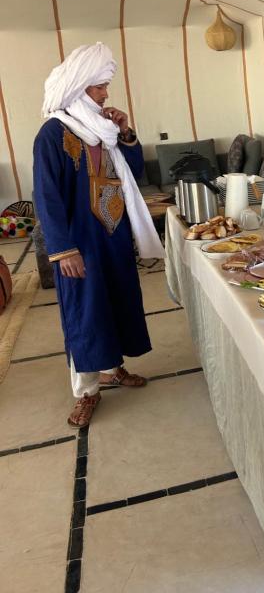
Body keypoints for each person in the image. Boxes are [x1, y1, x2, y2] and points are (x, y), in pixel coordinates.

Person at [33, 43, 165, 427]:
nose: (106, 93)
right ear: (77, 88)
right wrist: (63, 250)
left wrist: (125, 132)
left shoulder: (104, 128)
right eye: (99, 87)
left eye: (105, 86)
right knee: (84, 313)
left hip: (114, 235)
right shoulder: (53, 135)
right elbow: (47, 197)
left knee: (116, 303)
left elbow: (133, 172)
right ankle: (86, 391)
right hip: (79, 244)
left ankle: (114, 367)